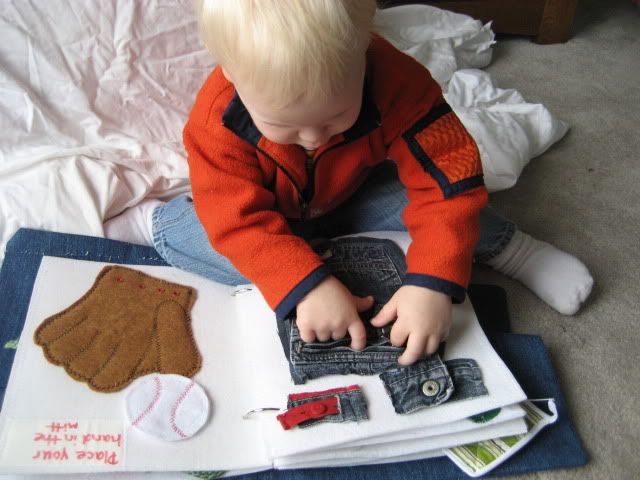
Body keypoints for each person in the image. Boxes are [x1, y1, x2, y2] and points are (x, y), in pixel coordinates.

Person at [105, 0, 593, 365]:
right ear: (231, 74)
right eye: (284, 125)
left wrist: (434, 283)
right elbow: (235, 222)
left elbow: (450, 178)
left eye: (336, 116)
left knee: (449, 207)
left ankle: (515, 250)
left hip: (355, 194)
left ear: (364, 49)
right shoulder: (217, 120)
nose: (313, 138)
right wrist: (304, 286)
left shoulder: (399, 81)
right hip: (261, 215)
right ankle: (155, 224)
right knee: (218, 242)